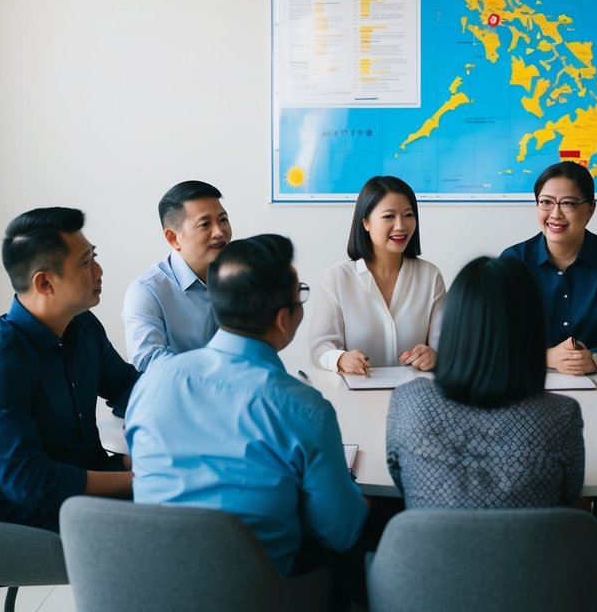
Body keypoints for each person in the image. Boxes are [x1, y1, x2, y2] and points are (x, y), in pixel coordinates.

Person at [126, 234, 367, 576]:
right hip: (255, 592)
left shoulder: (153, 380)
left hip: (151, 583)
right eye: (300, 295)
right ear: (284, 319)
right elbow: (339, 532)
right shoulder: (303, 408)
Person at [0, 208, 140, 531]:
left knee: (207, 482)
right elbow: (31, 483)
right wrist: (137, 479)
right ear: (45, 283)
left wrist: (147, 443)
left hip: (85, 483)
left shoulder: (81, 326)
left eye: (94, 257)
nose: (98, 271)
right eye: (85, 263)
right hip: (33, 516)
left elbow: (125, 385)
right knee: (193, 509)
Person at [385, 256, 585, 508]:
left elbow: (404, 481)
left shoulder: (409, 402)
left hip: (432, 546)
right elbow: (567, 496)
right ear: (533, 330)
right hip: (530, 546)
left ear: (453, 326)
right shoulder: (561, 415)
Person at [502, 161, 597, 374]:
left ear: (590, 210)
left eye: (568, 203)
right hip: (527, 382)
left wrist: (596, 358)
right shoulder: (514, 261)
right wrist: (549, 357)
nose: (555, 214)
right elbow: (496, 337)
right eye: (546, 202)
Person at [309, 175, 445, 374]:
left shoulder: (430, 276)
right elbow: (319, 348)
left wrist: (433, 356)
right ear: (366, 222)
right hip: (355, 398)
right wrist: (340, 358)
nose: (401, 225)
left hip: (417, 399)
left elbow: (445, 348)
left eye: (408, 215)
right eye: (389, 216)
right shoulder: (337, 278)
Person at [123, 180, 231, 371]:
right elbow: (149, 363)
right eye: (205, 224)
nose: (219, 232)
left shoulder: (237, 277)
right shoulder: (147, 291)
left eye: (223, 219)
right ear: (173, 238)